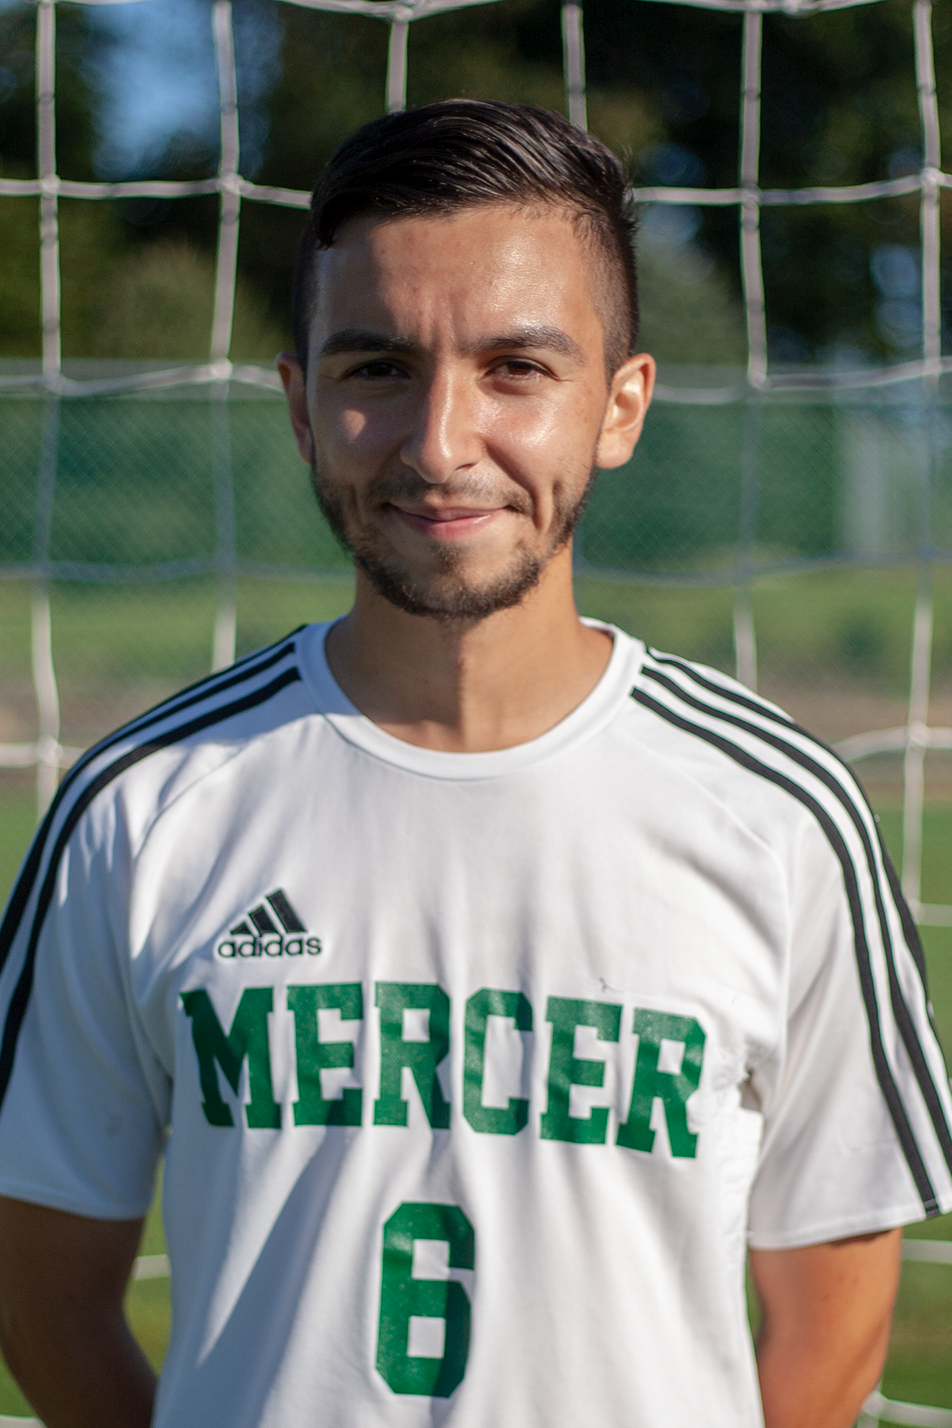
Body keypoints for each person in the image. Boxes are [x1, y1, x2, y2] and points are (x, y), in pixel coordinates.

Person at [0, 99, 949, 1428]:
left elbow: (831, 1330)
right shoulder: (139, 809)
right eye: (377, 368)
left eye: (516, 368)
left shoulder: (783, 819)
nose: (442, 443)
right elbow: (42, 1299)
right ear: (301, 404)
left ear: (620, 405)